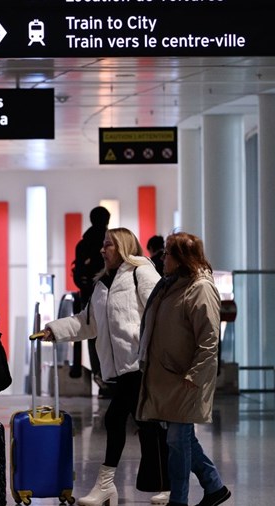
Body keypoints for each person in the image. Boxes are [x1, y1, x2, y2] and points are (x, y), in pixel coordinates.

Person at [44, 228, 170, 506]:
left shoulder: (141, 272)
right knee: (146, 425)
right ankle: (173, 483)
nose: (102, 250)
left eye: (108, 245)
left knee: (115, 419)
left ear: (123, 246)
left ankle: (107, 485)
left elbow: (160, 309)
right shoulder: (102, 285)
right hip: (121, 368)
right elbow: (87, 323)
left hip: (140, 364)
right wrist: (54, 329)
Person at [137, 232, 231, 506]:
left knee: (177, 442)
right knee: (182, 439)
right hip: (170, 376)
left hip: (185, 378)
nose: (162, 258)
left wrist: (195, 375)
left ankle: (179, 500)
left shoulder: (200, 288)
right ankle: (214, 487)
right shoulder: (172, 285)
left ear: (180, 259)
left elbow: (209, 338)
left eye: (167, 253)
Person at [71, 206, 112, 396]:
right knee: (111, 337)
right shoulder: (111, 244)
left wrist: (87, 288)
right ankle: (112, 378)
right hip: (111, 296)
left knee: (93, 337)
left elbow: (77, 273)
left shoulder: (84, 244)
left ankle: (100, 376)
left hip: (88, 297)